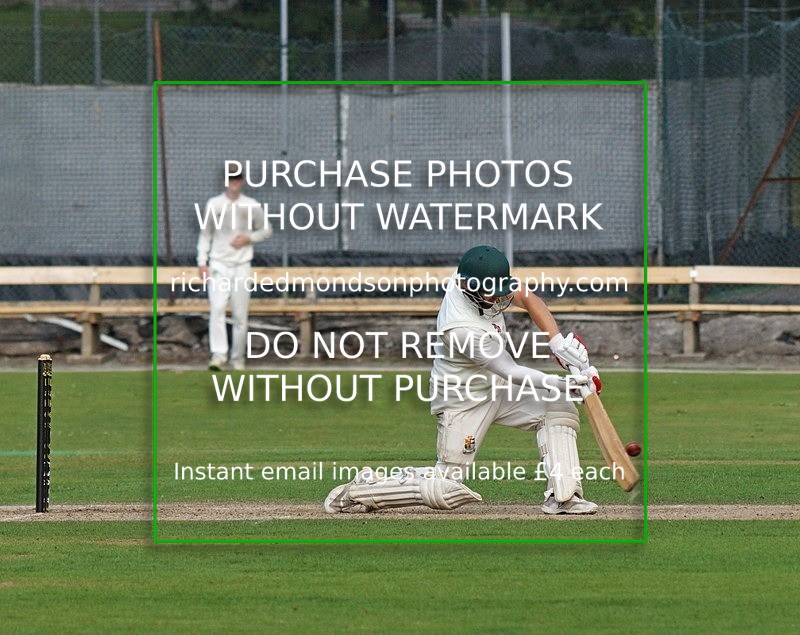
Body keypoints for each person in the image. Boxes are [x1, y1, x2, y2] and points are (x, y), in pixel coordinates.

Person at [324, 245, 602, 515]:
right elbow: (510, 370)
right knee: (446, 485)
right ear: (469, 288)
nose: (498, 300)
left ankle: (564, 496)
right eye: (490, 295)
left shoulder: (483, 281)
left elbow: (529, 298)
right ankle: (362, 490)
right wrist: (562, 383)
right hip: (464, 399)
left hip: (497, 386)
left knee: (559, 407)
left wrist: (556, 342)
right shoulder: (459, 328)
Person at [197, 171, 272, 371]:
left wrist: (249, 239)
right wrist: (202, 262)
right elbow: (205, 234)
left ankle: (237, 358)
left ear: (242, 181)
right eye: (231, 179)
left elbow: (266, 230)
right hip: (219, 265)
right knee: (217, 309)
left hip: (242, 265)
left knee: (240, 315)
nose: (234, 183)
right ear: (224, 181)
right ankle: (219, 355)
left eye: (237, 179)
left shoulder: (251, 204)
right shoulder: (214, 204)